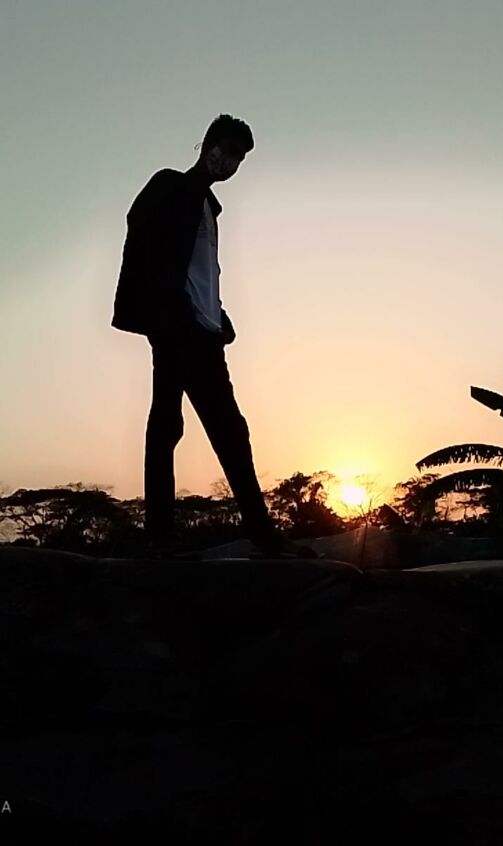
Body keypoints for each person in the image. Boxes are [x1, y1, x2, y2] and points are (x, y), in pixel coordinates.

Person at [112, 113, 317, 559]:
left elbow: (200, 271)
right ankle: (192, 535)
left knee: (195, 426)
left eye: (239, 159)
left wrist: (217, 313)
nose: (232, 164)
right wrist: (165, 306)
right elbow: (141, 233)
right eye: (229, 152)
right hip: (176, 327)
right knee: (189, 425)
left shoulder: (209, 207)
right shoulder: (170, 185)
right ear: (209, 147)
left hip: (204, 331)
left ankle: (183, 535)